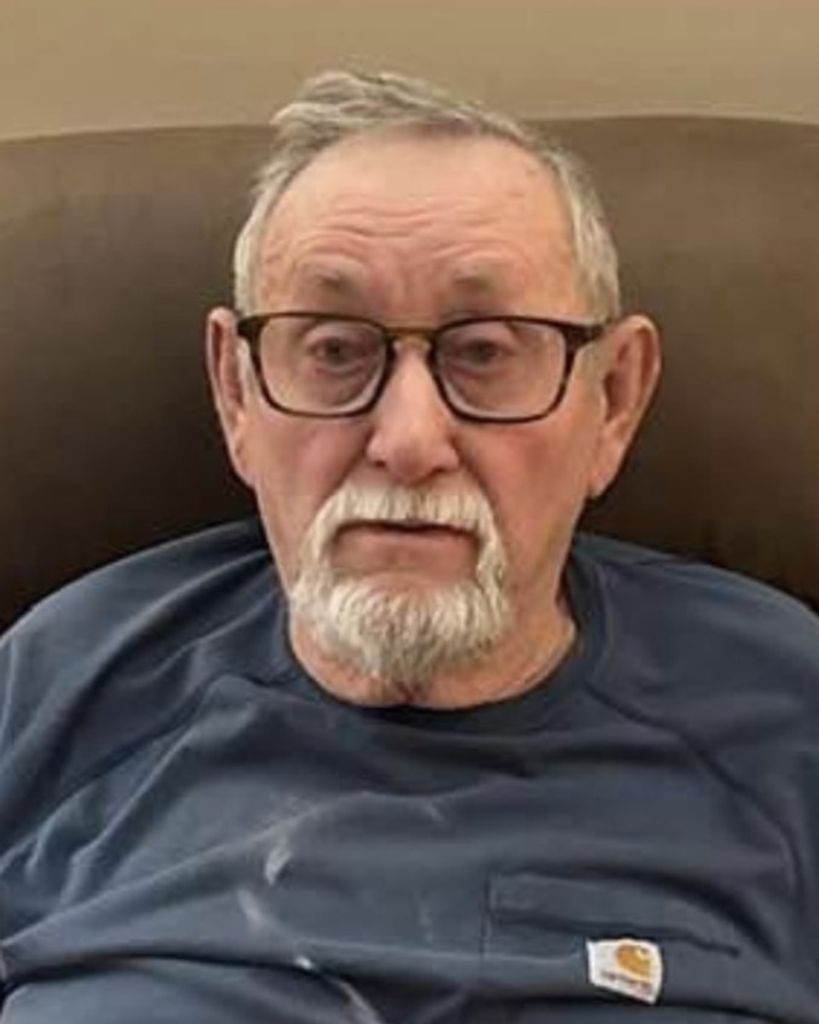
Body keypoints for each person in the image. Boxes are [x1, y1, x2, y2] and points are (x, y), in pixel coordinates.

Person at [2, 71, 819, 1024]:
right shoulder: (57, 687)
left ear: (613, 401)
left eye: (486, 350)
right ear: (235, 394)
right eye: (332, 349)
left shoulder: (782, 712)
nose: (409, 440)